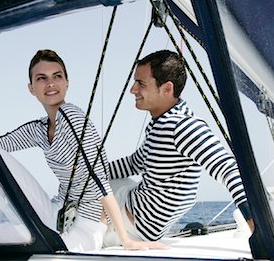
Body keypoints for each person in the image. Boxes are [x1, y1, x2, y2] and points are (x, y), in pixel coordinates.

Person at [0, 49, 167, 252]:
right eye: (41, 78)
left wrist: (126, 240)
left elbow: (101, 181)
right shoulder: (39, 128)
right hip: (56, 213)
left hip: (86, 227)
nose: (50, 83)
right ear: (31, 88)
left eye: (57, 76)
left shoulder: (72, 117)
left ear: (66, 83)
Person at [104, 50, 254, 244]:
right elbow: (134, 163)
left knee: (87, 193)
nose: (132, 89)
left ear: (167, 89)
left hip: (131, 226)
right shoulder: (160, 124)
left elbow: (227, 167)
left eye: (140, 83)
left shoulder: (182, 126)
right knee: (91, 179)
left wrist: (253, 220)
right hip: (131, 204)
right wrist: (91, 171)